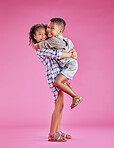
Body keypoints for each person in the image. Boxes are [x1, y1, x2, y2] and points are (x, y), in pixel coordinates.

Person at [29, 24, 77, 142]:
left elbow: (61, 49)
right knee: (58, 105)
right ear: (34, 36)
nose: (44, 36)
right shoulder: (40, 48)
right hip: (53, 76)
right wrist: (71, 55)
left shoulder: (48, 44)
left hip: (59, 73)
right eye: (40, 34)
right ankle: (52, 134)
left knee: (60, 105)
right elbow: (57, 55)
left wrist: (72, 50)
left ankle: (57, 130)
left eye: (45, 34)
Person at [34, 18, 83, 109]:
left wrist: (36, 45)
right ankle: (66, 85)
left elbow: (46, 45)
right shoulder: (61, 38)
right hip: (68, 64)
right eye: (48, 27)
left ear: (59, 31)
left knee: (57, 82)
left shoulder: (53, 40)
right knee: (59, 83)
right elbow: (69, 44)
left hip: (69, 65)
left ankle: (75, 96)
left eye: (52, 28)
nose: (48, 30)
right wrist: (73, 51)